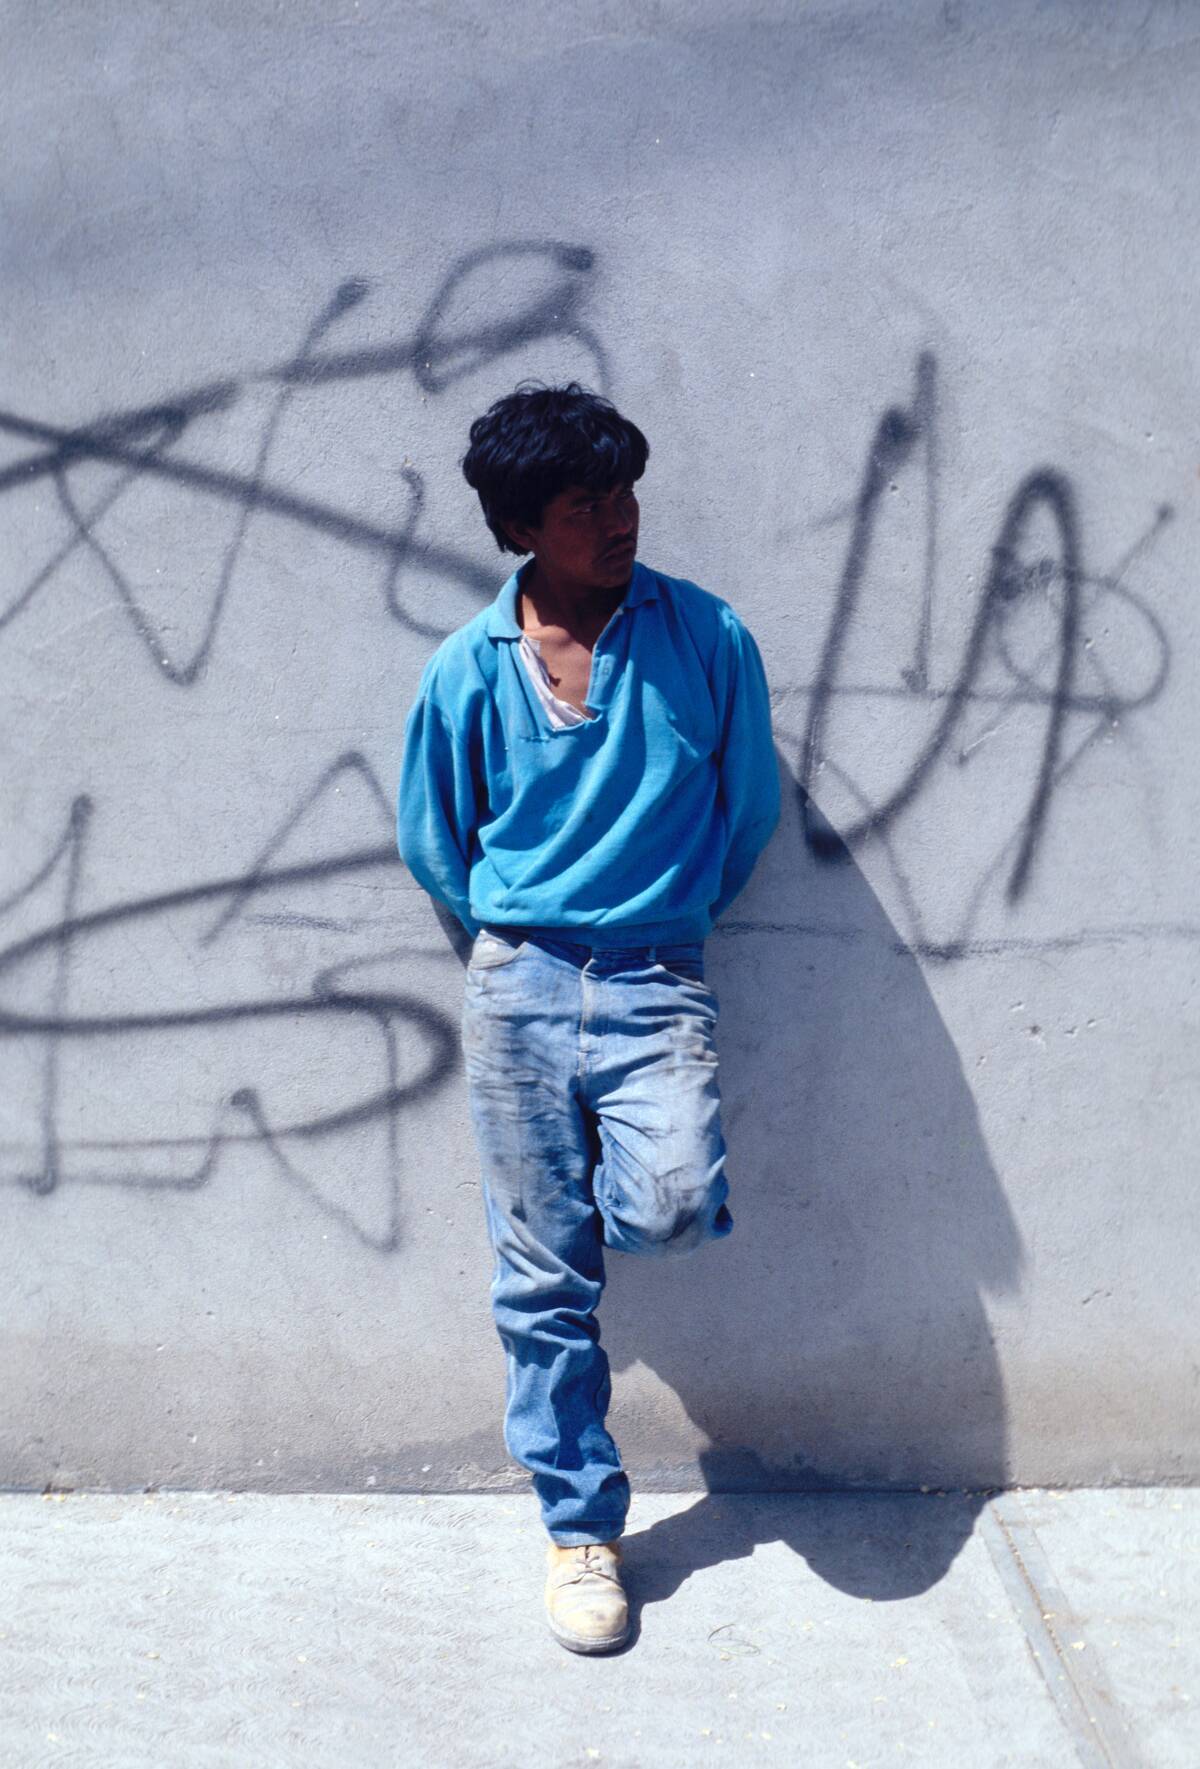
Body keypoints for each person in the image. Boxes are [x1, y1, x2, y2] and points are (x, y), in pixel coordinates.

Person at [396, 382, 780, 1653]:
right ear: (523, 526)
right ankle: (580, 1531)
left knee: (668, 1203)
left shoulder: (705, 634)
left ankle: (618, 1202)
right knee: (543, 1282)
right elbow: (435, 838)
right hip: (517, 986)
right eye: (582, 504)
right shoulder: (469, 667)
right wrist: (516, 943)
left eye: (623, 492)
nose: (617, 520)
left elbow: (748, 812)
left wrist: (665, 916)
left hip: (656, 975)